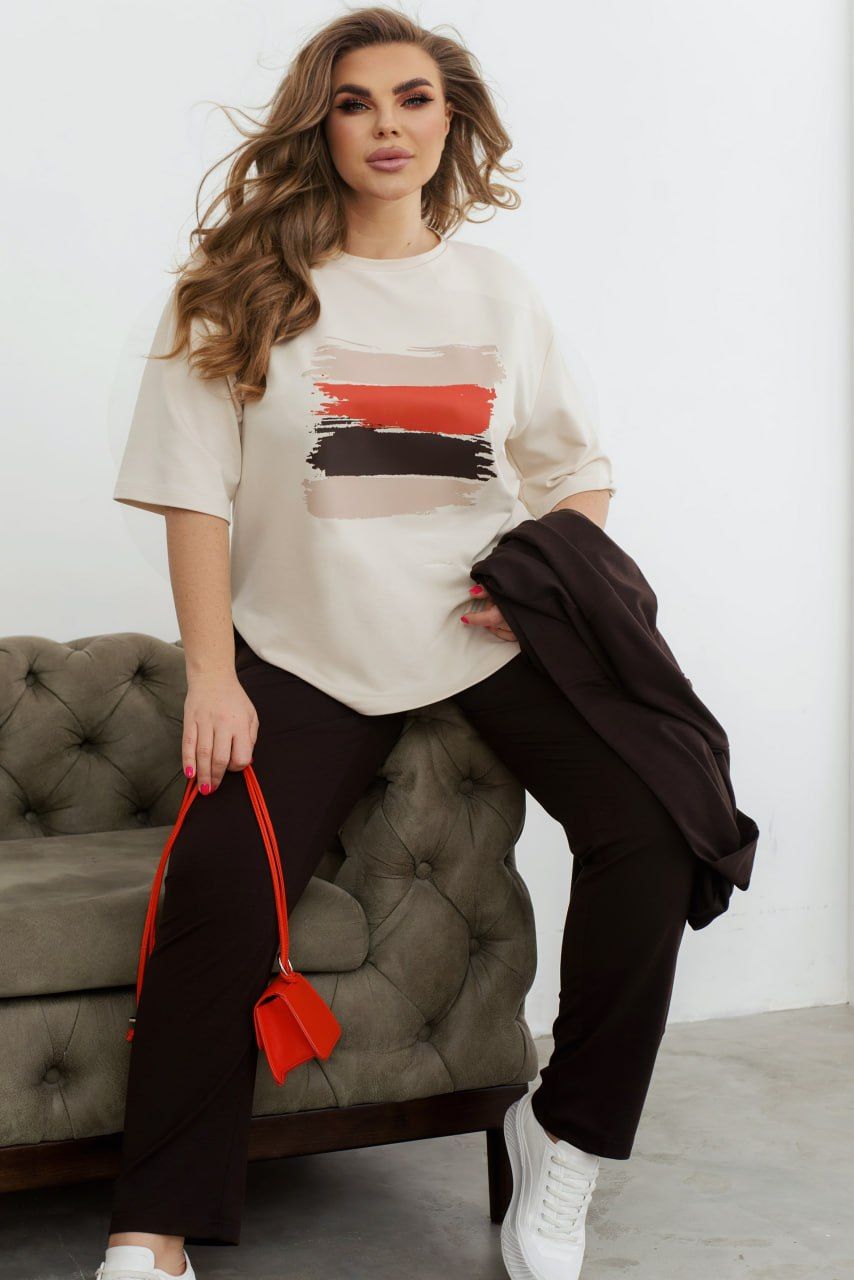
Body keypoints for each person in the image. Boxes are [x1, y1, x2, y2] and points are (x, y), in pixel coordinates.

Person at [98, 9, 697, 1280]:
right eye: (356, 101)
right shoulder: (241, 286)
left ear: (449, 120)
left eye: (413, 98)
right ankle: (152, 1230)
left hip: (484, 637)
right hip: (305, 647)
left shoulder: (497, 292)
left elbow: (573, 466)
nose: (388, 125)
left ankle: (564, 1135)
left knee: (656, 822)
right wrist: (212, 673)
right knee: (216, 887)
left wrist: (535, 585)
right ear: (319, 124)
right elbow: (194, 491)